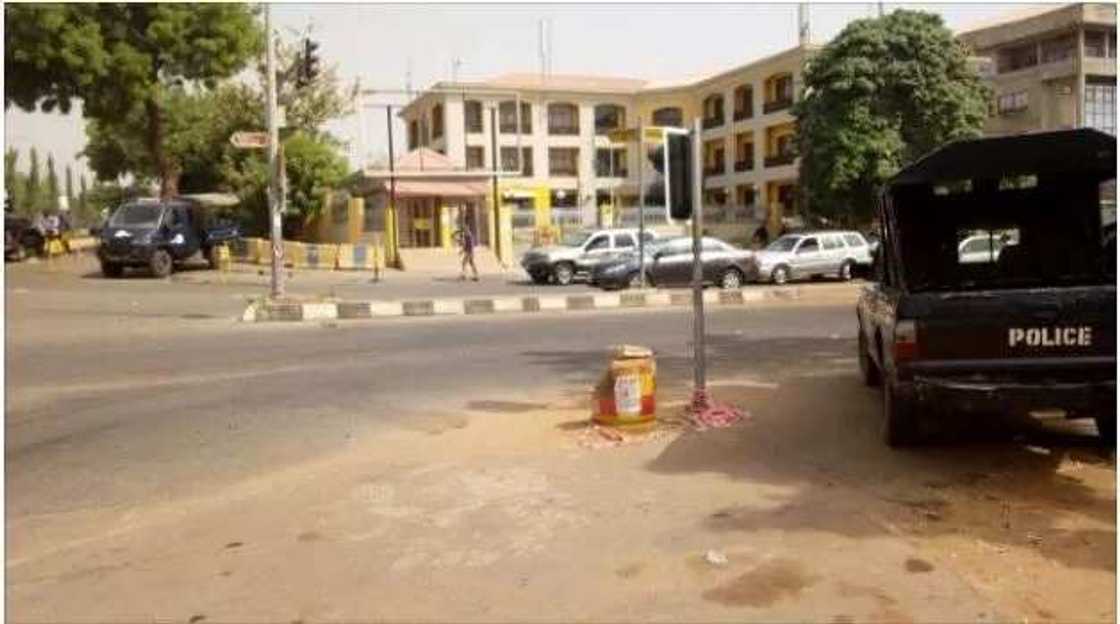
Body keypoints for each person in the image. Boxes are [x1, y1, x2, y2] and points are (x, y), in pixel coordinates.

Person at [458, 217, 479, 281]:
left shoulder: (467, 233)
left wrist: (463, 250)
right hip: (470, 250)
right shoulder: (468, 233)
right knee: (471, 263)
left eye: (464, 228)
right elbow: (467, 243)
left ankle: (464, 275)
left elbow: (467, 244)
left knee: (464, 262)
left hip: (469, 251)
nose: (464, 229)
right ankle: (476, 276)